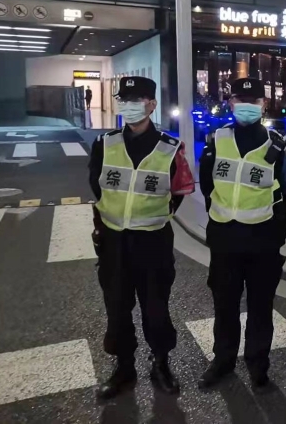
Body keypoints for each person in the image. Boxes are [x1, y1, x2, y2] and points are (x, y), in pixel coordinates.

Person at [89, 76, 195, 400]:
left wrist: (152, 214)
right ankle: (124, 367)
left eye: (137, 100)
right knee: (117, 307)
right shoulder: (104, 144)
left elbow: (179, 191)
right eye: (124, 100)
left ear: (151, 105)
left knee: (156, 308)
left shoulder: (170, 148)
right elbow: (96, 186)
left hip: (152, 242)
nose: (129, 106)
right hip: (114, 243)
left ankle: (160, 363)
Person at [197, 77, 286, 391]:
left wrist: (274, 226)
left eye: (253, 101)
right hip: (225, 239)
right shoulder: (217, 139)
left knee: (260, 307)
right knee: (224, 306)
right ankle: (223, 360)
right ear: (231, 103)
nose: (246, 106)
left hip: (263, 242)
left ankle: (258, 365)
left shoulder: (278, 145)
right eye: (240, 100)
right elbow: (207, 184)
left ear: (263, 105)